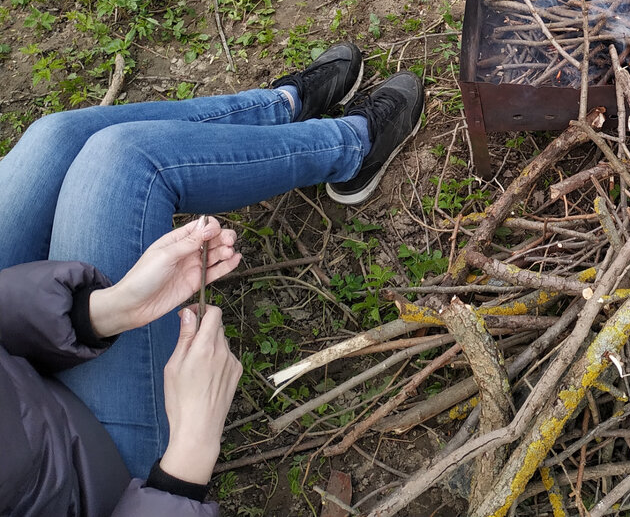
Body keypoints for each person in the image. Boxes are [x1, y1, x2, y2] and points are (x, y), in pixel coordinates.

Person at [0, 43, 425, 515]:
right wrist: (187, 461)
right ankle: (351, 146)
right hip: (92, 480)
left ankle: (279, 108)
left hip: (17, 379)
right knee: (126, 158)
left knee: (54, 137)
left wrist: (94, 313)